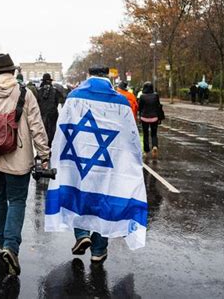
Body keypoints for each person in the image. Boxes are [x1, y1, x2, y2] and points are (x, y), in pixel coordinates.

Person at [45, 65, 148, 263]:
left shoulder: (74, 97)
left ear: (88, 75)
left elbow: (63, 127)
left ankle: (82, 234)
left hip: (78, 155)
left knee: (77, 191)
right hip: (110, 160)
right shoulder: (120, 101)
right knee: (106, 199)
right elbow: (131, 135)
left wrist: (57, 153)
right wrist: (135, 159)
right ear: (107, 77)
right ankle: (99, 250)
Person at [0, 53, 49, 276]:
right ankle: (11, 246)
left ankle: (2, 240)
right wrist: (44, 154)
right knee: (16, 200)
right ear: (13, 72)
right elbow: (36, 125)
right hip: (19, 156)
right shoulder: (24, 93)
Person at [138, 81, 163, 159]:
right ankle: (154, 146)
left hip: (144, 117)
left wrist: (139, 116)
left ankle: (146, 150)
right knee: (154, 133)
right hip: (154, 117)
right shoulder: (156, 96)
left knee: (145, 134)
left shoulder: (142, 96)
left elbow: (140, 108)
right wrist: (159, 117)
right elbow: (158, 107)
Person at [37, 73, 60, 147]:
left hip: (42, 113)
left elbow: (37, 102)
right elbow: (57, 102)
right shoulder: (55, 90)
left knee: (42, 131)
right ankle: (51, 146)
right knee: (52, 130)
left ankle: (43, 148)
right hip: (52, 113)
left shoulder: (39, 90)